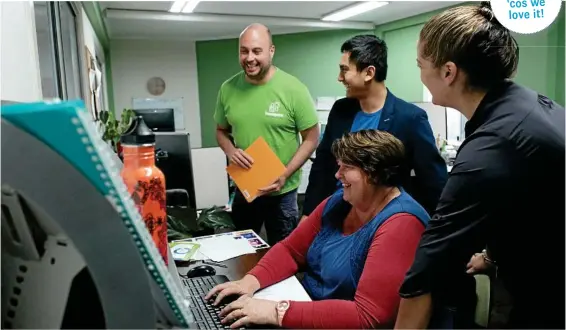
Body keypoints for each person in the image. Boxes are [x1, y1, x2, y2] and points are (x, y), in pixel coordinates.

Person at [394, 2, 565, 329]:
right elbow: (530, 200)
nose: (420, 73)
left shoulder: (493, 146)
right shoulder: (524, 103)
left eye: (420, 65)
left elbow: (428, 266)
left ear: (448, 72)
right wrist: (492, 256)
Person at [205, 130, 430, 329]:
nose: (337, 175)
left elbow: (369, 316)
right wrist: (249, 282)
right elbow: (291, 250)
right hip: (306, 306)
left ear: (375, 174)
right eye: (339, 165)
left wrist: (276, 312)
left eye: (347, 167)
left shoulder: (401, 223)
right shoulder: (339, 202)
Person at [302, 34, 447, 220]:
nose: (339, 78)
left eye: (344, 70)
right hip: (338, 214)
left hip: (385, 220)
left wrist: (430, 230)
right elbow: (323, 166)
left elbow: (434, 182)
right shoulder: (341, 110)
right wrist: (308, 213)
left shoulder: (410, 118)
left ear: (369, 73)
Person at [214, 23, 320, 245]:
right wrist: (231, 151)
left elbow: (312, 137)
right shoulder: (227, 88)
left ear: (271, 51)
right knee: (243, 253)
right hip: (246, 189)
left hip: (282, 193)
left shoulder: (293, 89)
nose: (249, 58)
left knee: (283, 256)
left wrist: (284, 173)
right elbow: (221, 131)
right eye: (244, 51)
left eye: (257, 51)